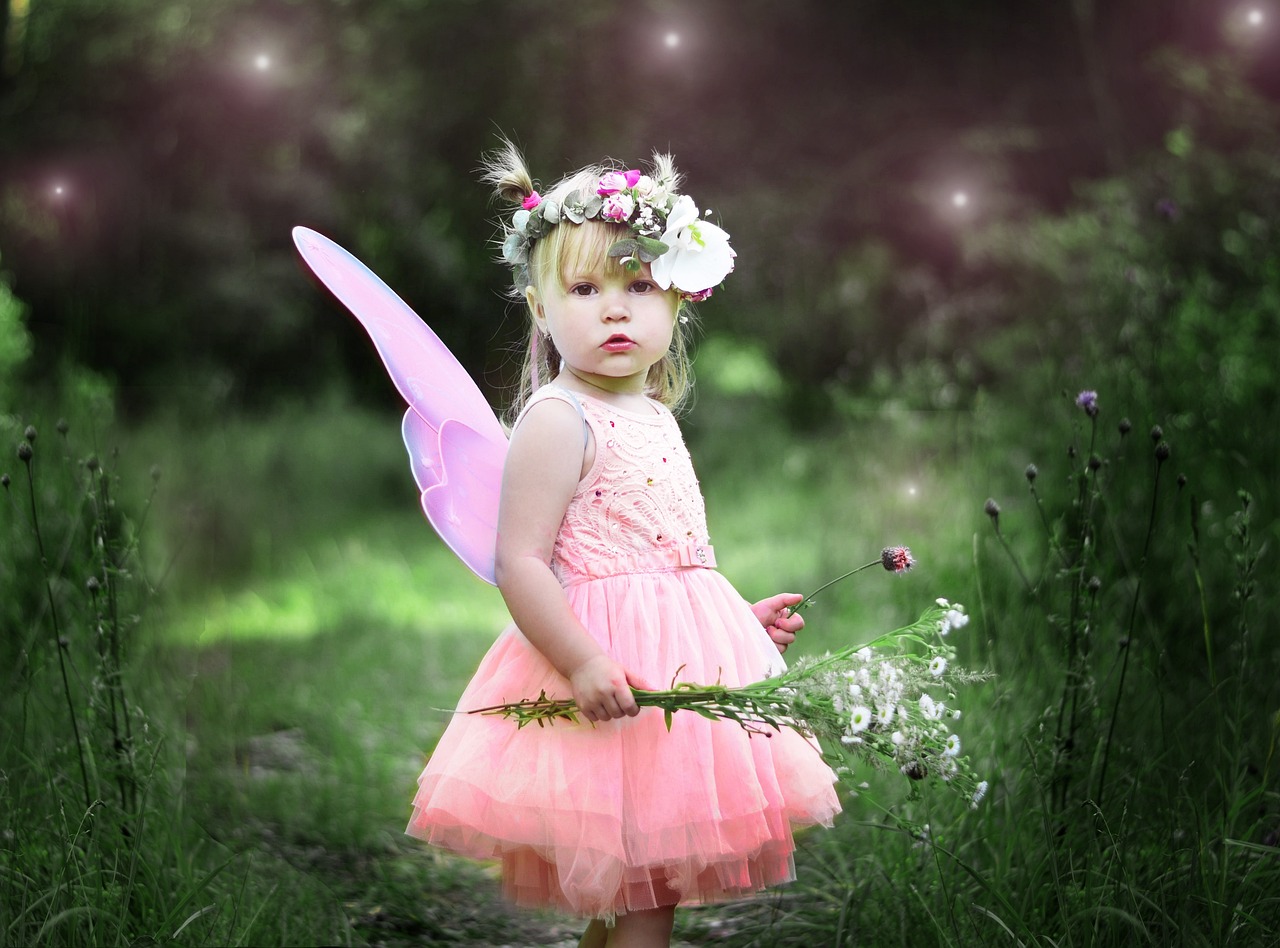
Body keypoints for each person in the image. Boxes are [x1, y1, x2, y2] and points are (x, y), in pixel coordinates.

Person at [406, 141, 840, 948]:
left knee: (641, 891)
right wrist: (579, 661)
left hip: (672, 670)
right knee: (644, 896)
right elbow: (522, 561)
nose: (614, 307)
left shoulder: (656, 415)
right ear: (540, 311)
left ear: (678, 300)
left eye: (638, 285)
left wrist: (738, 624)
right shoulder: (558, 420)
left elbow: (662, 560)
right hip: (608, 671)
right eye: (584, 288)